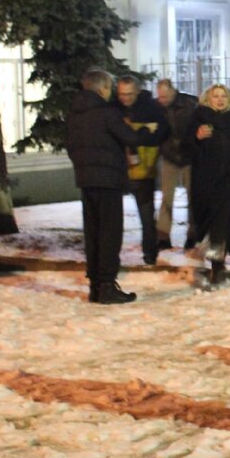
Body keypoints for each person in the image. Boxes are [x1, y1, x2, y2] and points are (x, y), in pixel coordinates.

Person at [65, 69, 162, 304]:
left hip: (86, 180)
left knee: (93, 232)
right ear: (102, 89)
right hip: (108, 180)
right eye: (109, 87)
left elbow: (71, 147)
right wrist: (142, 130)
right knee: (109, 232)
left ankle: (95, 285)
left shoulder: (74, 115)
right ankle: (107, 284)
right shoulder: (106, 113)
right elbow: (131, 138)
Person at [185, 83, 230, 285]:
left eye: (223, 96)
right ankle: (215, 263)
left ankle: (226, 266)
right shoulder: (199, 118)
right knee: (211, 222)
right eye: (215, 96)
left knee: (226, 223)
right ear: (208, 99)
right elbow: (187, 148)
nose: (220, 99)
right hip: (207, 181)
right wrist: (197, 138)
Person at [115, 75, 171, 266]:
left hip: (143, 170)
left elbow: (163, 131)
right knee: (113, 218)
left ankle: (150, 254)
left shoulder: (150, 107)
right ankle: (112, 256)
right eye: (122, 94)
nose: (126, 98)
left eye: (130, 94)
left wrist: (140, 135)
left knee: (147, 216)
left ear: (138, 91)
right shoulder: (113, 107)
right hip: (118, 169)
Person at [155, 79, 197, 249]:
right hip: (169, 156)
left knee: (192, 197)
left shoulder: (190, 104)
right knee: (167, 197)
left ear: (173, 91)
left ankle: (193, 234)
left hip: (189, 156)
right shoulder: (158, 108)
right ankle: (163, 236)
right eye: (160, 97)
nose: (162, 100)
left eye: (165, 96)